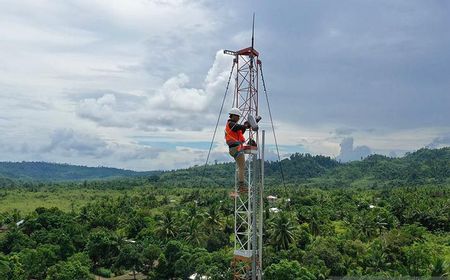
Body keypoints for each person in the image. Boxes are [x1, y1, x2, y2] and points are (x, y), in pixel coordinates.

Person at [225, 107, 250, 193]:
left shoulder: (233, 126)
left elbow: (240, 130)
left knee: (241, 167)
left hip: (234, 149)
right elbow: (238, 127)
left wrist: (245, 126)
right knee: (242, 167)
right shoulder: (231, 124)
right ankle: (241, 186)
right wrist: (245, 125)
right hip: (236, 148)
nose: (239, 118)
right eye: (238, 116)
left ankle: (241, 186)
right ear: (233, 116)